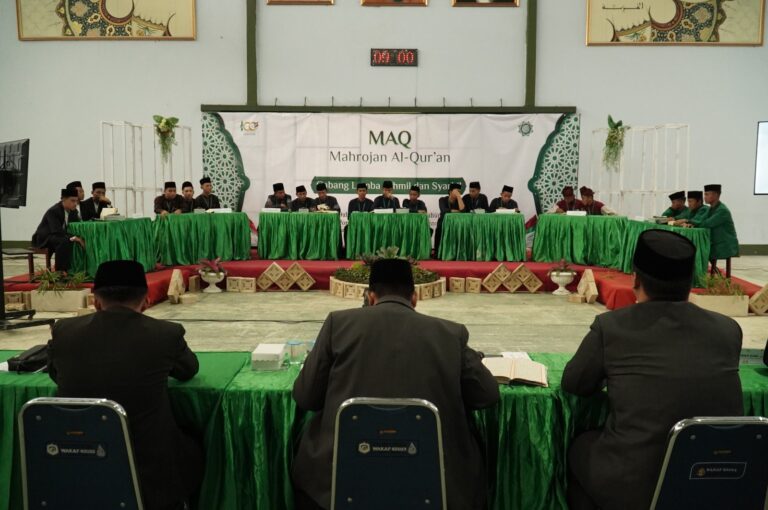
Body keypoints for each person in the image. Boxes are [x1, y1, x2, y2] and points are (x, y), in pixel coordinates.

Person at [292, 259, 500, 510]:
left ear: (370, 297)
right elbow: (487, 395)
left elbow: (306, 396)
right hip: (437, 483)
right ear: (414, 298)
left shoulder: (338, 324)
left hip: (339, 482)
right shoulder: (449, 333)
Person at [562, 230, 743, 510]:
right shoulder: (728, 329)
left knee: (578, 449)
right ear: (690, 283)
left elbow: (575, 383)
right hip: (717, 479)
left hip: (636, 486)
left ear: (636, 279)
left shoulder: (612, 327)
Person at [47, 260, 203, 510]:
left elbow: (56, 375)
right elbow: (188, 370)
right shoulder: (165, 334)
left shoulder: (64, 331)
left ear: (95, 300)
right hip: (149, 476)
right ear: (147, 300)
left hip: (76, 465)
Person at [685, 184, 739, 273]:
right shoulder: (711, 209)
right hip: (715, 242)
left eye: (707, 194)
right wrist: (690, 223)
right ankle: (696, 274)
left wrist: (688, 221)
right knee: (694, 246)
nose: (704, 197)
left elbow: (707, 223)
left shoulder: (722, 210)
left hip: (724, 245)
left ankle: (698, 275)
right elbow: (701, 220)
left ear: (715, 195)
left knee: (697, 248)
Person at [31, 188, 84, 273]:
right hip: (45, 238)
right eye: (72, 201)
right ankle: (60, 271)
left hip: (57, 236)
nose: (75, 204)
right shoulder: (54, 211)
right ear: (63, 199)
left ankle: (77, 269)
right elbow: (56, 231)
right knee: (64, 241)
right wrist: (74, 237)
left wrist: (77, 237)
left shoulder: (73, 212)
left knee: (69, 240)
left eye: (76, 201)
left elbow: (77, 225)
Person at [434, 183, 465, 256]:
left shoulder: (460, 200)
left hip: (456, 224)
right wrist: (454, 211)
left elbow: (463, 211)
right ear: (450, 192)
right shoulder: (442, 199)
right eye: (456, 191)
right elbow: (444, 210)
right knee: (439, 228)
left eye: (459, 192)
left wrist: (458, 197)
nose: (458, 193)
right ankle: (438, 253)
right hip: (443, 223)